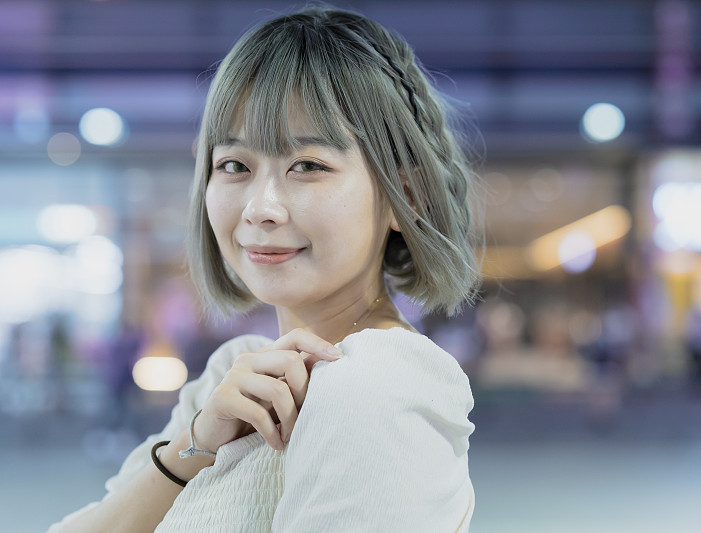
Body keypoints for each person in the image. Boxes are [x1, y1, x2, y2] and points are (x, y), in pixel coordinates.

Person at [49, 4, 484, 532]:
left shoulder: (372, 386)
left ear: (404, 194)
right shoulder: (234, 373)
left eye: (308, 166)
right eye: (234, 165)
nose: (261, 207)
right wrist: (198, 445)